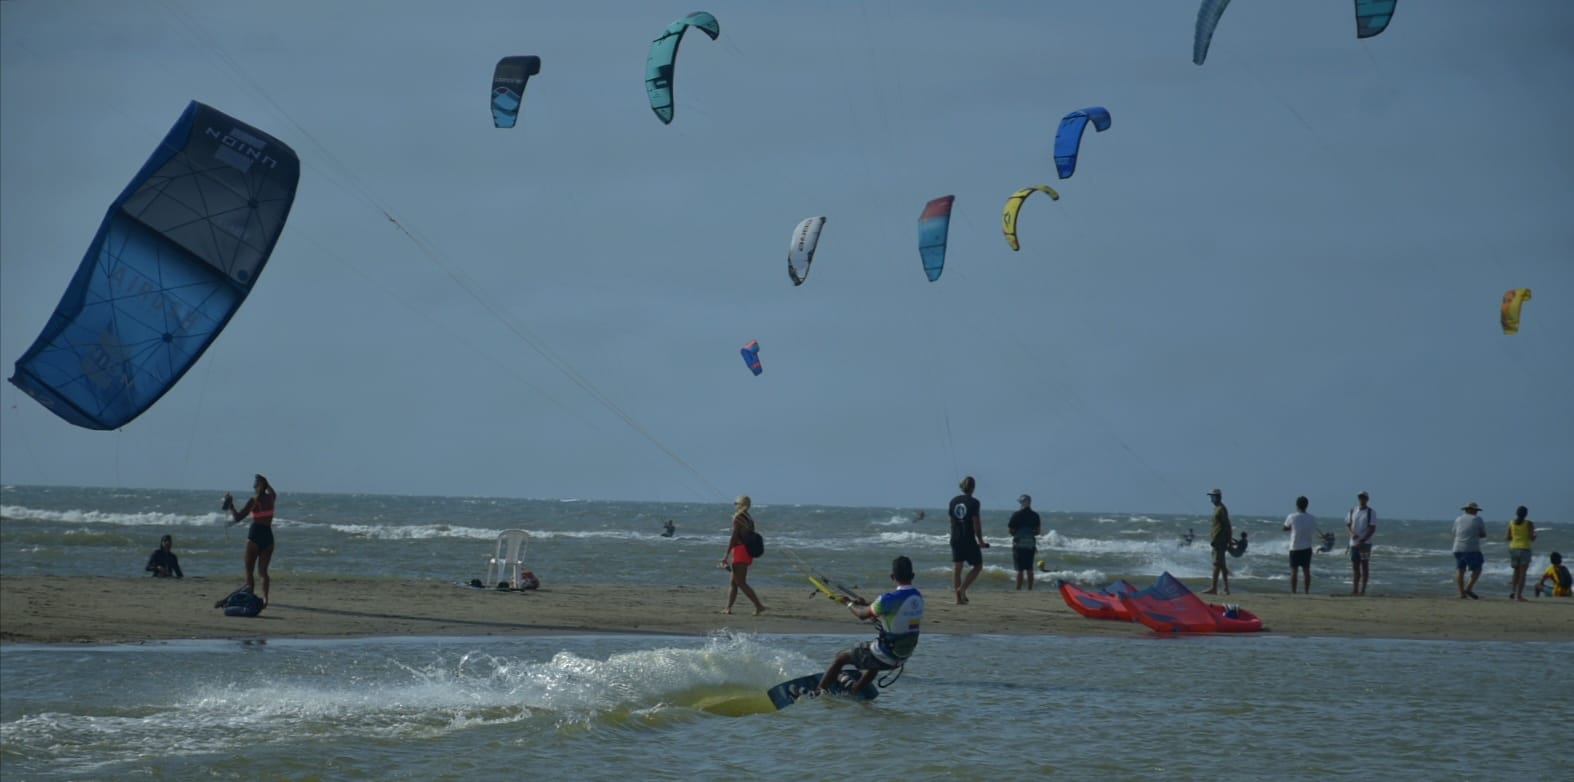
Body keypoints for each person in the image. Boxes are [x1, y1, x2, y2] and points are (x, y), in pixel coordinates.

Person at [817, 555, 923, 695]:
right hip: (902, 656)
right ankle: (855, 689)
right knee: (874, 655)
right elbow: (892, 613)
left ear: (892, 576)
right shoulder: (917, 597)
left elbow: (862, 615)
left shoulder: (887, 599)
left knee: (840, 658)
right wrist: (867, 604)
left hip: (886, 654)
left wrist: (848, 604)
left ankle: (818, 692)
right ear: (913, 575)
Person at [224, 474, 276, 606]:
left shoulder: (254, 501)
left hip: (254, 536)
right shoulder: (271, 498)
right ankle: (265, 599)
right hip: (268, 536)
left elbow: (238, 517)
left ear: (256, 486)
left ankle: (250, 596)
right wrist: (266, 482)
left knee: (249, 570)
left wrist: (231, 505)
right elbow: (272, 491)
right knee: (263, 572)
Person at [718, 495, 766, 615]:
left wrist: (726, 555)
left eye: (736, 504)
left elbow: (734, 537)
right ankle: (728, 608)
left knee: (741, 582)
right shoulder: (749, 518)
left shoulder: (738, 517)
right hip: (746, 552)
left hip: (740, 551)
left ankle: (759, 606)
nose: (735, 506)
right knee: (734, 583)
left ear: (740, 505)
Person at [947, 476, 988, 605]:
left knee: (957, 567)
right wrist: (980, 540)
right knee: (977, 566)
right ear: (973, 488)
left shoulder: (953, 501)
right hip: (968, 538)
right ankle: (962, 589)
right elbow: (976, 523)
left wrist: (955, 535)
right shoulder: (974, 502)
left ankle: (958, 598)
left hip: (955, 538)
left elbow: (952, 522)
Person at [1451, 501, 1487, 600]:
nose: (1477, 512)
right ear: (1472, 510)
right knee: (1477, 569)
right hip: (1471, 548)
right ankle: (1468, 588)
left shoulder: (1458, 519)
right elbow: (1483, 534)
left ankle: (1462, 593)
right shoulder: (1477, 519)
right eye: (1476, 510)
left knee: (1460, 570)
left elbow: (1454, 532)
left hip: (1457, 547)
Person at [1007, 494, 1042, 591]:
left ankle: (1018, 589)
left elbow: (1010, 530)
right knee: (1029, 568)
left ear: (1022, 503)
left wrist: (1017, 535)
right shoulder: (1035, 515)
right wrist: (1030, 534)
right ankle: (1030, 589)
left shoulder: (1016, 514)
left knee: (1020, 569)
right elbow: (1038, 531)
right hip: (1031, 544)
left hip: (1018, 544)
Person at [1282, 496, 1317, 594]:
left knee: (1294, 571)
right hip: (1307, 547)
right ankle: (1306, 591)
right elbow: (1313, 530)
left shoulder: (1292, 516)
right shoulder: (1312, 518)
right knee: (1306, 571)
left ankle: (1294, 592)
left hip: (1295, 547)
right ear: (1307, 505)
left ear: (1297, 505)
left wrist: (1292, 528)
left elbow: (1285, 528)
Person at [1345, 491, 1377, 596]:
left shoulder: (1370, 512)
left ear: (1367, 499)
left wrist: (1362, 541)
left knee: (1364, 566)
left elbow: (1372, 528)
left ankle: (1362, 590)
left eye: (1364, 498)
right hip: (1354, 543)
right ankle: (1355, 589)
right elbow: (1348, 525)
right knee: (1355, 567)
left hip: (1365, 544)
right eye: (1360, 498)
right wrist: (1351, 534)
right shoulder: (1352, 511)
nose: (1362, 500)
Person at [1203, 488, 1230, 595]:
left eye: (1212, 496)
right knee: (1222, 565)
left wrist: (1228, 540)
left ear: (1218, 497)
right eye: (1210, 496)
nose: (1211, 498)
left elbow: (1227, 525)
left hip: (1220, 541)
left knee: (1216, 564)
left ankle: (1213, 588)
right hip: (1217, 540)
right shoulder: (1217, 508)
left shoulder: (1221, 509)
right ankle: (1226, 589)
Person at [1506, 506, 1537, 602]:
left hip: (1513, 547)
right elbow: (1531, 537)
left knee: (1515, 572)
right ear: (1526, 514)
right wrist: (1535, 536)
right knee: (1522, 573)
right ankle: (1519, 595)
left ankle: (1513, 592)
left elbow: (1508, 537)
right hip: (1524, 548)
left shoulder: (1511, 523)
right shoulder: (1529, 523)